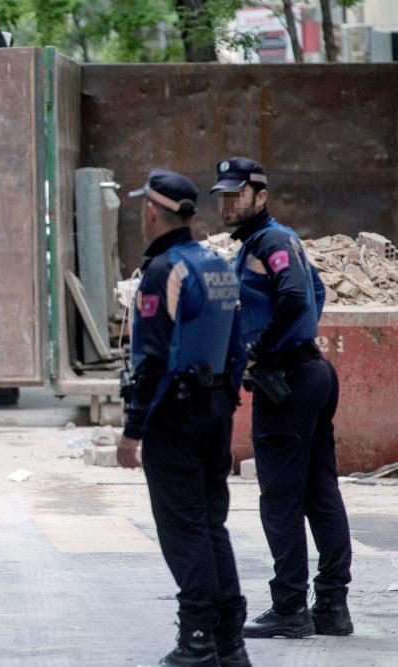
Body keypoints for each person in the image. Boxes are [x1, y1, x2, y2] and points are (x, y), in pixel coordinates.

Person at [211, 156, 353, 639]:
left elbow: (296, 295)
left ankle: (291, 606)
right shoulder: (265, 242)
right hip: (308, 373)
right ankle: (332, 606)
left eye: (238, 193)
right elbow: (315, 289)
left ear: (261, 195)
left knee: (280, 500)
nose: (229, 202)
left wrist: (262, 350)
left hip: (290, 380)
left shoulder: (270, 241)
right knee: (319, 491)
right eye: (224, 194)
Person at [117, 169, 251, 667]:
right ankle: (228, 640)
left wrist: (132, 431)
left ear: (152, 211)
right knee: (211, 523)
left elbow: (152, 359)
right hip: (214, 409)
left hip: (174, 417)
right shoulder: (217, 264)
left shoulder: (164, 271)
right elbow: (238, 345)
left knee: (182, 528)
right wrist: (226, 399)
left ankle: (197, 638)